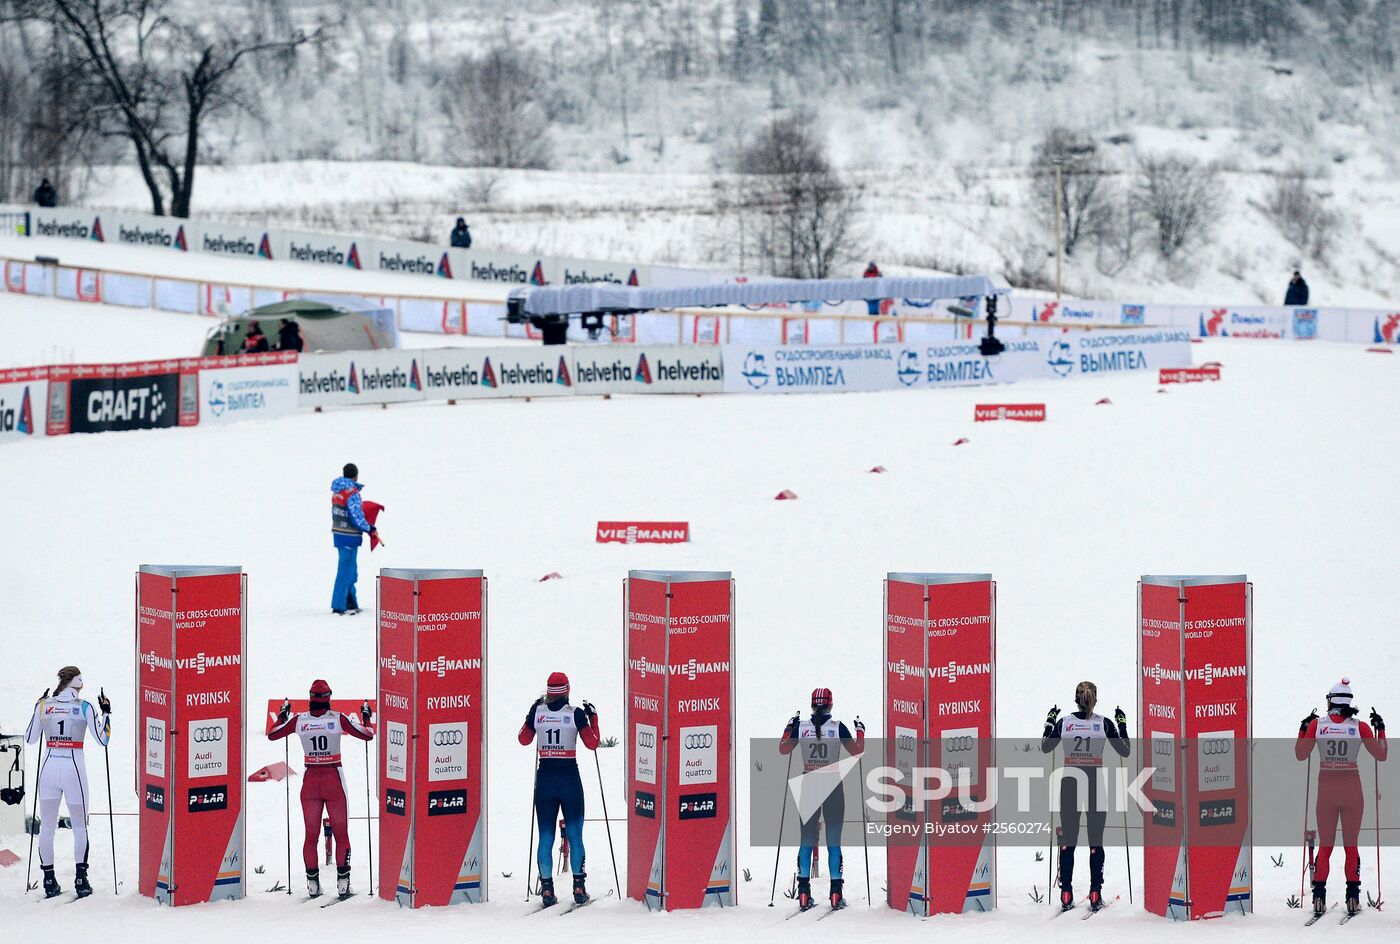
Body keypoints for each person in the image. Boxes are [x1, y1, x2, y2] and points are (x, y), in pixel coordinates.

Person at [268, 680, 374, 899]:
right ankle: (343, 883)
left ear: (310, 698)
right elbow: (367, 734)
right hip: (333, 778)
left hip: (310, 781)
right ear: (328, 697)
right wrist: (366, 716)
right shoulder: (337, 719)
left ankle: (312, 884)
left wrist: (283, 715)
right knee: (341, 834)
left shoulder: (300, 720)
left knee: (310, 836)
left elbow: (273, 734)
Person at [1296, 678, 1386, 918]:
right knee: (1351, 845)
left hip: (1326, 790)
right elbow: (1382, 754)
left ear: (1330, 701)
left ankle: (1318, 897)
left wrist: (1303, 728)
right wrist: (1381, 729)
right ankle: (1353, 897)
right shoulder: (1360, 727)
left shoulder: (1318, 725)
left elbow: (1300, 754)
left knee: (1325, 846)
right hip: (1352, 791)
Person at [1041, 680, 1130, 912]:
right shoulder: (1104, 724)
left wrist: (1050, 721)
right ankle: (1095, 892)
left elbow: (1045, 746)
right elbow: (1125, 750)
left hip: (1070, 784)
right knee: (1095, 842)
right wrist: (1122, 724)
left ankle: (1066, 893)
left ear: (1075, 700)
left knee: (1068, 841)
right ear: (1095, 700)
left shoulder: (1066, 723)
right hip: (1094, 785)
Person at [24, 666, 111, 899]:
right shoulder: (84, 707)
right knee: (80, 826)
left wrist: (37, 708)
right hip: (74, 768)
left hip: (49, 768)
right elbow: (103, 740)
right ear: (79, 683)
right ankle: (81, 879)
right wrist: (106, 713)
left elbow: (30, 739)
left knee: (47, 828)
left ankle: (48, 880)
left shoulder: (44, 705)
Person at [518, 671, 600, 907]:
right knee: (575, 835)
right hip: (569, 780)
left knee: (545, 836)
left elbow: (523, 739)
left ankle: (546, 889)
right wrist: (593, 718)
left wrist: (530, 715)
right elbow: (593, 743)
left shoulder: (538, 712)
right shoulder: (575, 714)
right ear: (567, 691)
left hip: (545, 780)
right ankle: (578, 886)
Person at [779, 687, 864, 910]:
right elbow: (858, 751)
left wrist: (789, 727)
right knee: (833, 841)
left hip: (809, 784)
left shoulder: (802, 727)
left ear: (811, 705)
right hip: (833, 786)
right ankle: (836, 893)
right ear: (830, 705)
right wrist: (861, 731)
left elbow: (783, 749)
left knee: (806, 840)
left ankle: (804, 893)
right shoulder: (837, 727)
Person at [331, 463, 377, 614]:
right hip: (349, 536)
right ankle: (339, 605)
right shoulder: (352, 493)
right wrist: (370, 528)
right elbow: (356, 516)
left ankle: (351, 602)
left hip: (339, 535)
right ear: (356, 475)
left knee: (350, 569)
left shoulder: (337, 491)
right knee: (346, 570)